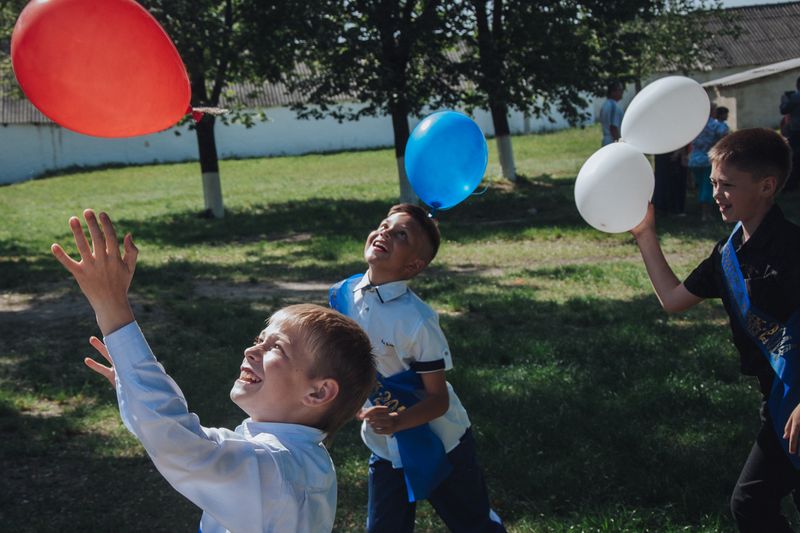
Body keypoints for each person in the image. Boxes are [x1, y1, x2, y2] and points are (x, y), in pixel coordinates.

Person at [50, 209, 377, 533]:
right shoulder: (299, 460)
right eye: (258, 340)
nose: (251, 350)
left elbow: (178, 442)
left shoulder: (277, 470)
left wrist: (112, 305)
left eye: (276, 347)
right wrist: (133, 388)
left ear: (319, 392)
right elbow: (173, 437)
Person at [630, 129, 800, 531]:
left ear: (766, 186)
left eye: (726, 185)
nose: (716, 193)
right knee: (752, 504)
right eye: (713, 183)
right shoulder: (726, 257)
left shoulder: (794, 248)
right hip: (774, 406)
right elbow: (672, 298)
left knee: (750, 501)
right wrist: (644, 233)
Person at [329, 204, 505, 532]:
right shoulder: (344, 294)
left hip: (440, 443)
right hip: (385, 446)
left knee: (473, 523)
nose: (384, 233)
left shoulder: (418, 321)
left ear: (414, 264)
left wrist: (398, 419)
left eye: (401, 234)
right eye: (384, 225)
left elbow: (439, 400)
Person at [688, 103, 730, 220]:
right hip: (708, 160)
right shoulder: (715, 125)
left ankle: (702, 209)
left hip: (694, 160)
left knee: (700, 185)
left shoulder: (695, 125)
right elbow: (726, 135)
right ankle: (706, 214)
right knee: (707, 186)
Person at [780, 76, 800, 191]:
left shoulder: (794, 97)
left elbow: (784, 110)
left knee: (793, 157)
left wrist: (785, 100)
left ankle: (792, 184)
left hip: (796, 130)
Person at [599, 80, 624, 147]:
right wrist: (619, 142)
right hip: (612, 141)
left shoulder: (605, 105)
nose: (622, 92)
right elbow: (613, 127)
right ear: (613, 92)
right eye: (620, 90)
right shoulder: (613, 106)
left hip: (606, 139)